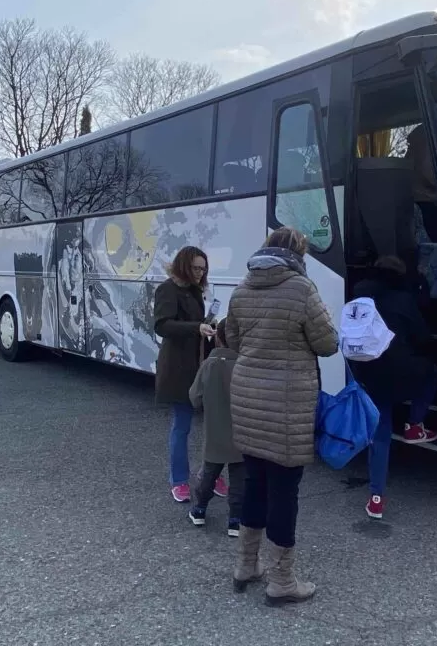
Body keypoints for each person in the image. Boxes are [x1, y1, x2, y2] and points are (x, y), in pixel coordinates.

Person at [225, 227, 339, 606]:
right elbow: (327, 344)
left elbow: (233, 341)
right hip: (286, 403)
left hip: (247, 398)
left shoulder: (242, 289)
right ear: (298, 254)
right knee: (284, 490)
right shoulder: (302, 289)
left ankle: (245, 565)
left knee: (255, 480)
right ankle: (282, 581)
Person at [349, 255, 437, 520]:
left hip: (368, 374)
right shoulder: (403, 300)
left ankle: (376, 499)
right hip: (401, 373)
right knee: (432, 373)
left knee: (380, 438)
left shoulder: (359, 298)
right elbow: (423, 337)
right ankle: (414, 424)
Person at [153, 246, 225, 503]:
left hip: (201, 363)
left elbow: (197, 323)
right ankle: (179, 480)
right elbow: (162, 325)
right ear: (184, 264)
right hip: (178, 368)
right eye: (196, 268)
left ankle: (210, 474)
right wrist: (197, 327)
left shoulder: (196, 290)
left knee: (214, 426)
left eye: (203, 269)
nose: (200, 273)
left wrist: (209, 325)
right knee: (181, 425)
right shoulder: (167, 289)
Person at [187, 318, 244, 537]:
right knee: (240, 478)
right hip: (241, 432)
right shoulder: (243, 366)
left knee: (210, 473)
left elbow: (195, 397)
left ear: (217, 338)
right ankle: (235, 521)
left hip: (215, 430)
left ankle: (200, 509)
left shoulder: (208, 365)